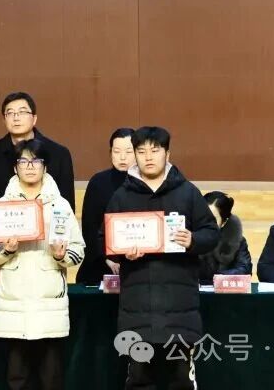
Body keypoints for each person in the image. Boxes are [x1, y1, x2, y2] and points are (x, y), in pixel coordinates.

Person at [103, 126, 219, 390]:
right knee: (139, 380)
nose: (148, 157)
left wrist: (193, 240)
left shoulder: (188, 192)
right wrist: (122, 253)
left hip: (179, 305)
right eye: (142, 151)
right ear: (135, 155)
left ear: (168, 153)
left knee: (180, 380)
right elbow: (105, 240)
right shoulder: (121, 196)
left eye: (155, 150)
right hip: (137, 306)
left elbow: (211, 233)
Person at [0, 139, 84, 390]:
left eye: (35, 161)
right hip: (14, 303)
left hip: (50, 303)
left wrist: (60, 256)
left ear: (45, 167)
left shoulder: (60, 205)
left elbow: (78, 251)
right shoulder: (1, 207)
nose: (29, 166)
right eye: (23, 161)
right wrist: (7, 250)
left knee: (51, 379)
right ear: (15, 167)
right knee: (17, 378)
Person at [0, 92, 75, 285]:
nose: (16, 117)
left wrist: (61, 253)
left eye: (22, 112)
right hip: (4, 250)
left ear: (34, 118)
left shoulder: (58, 153)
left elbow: (66, 206)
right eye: (10, 113)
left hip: (47, 254)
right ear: (4, 119)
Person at [76, 127, 135, 285]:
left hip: (138, 262)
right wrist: (108, 259)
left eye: (129, 152)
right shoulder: (98, 182)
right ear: (110, 153)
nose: (122, 157)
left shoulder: (146, 182)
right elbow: (90, 229)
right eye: (117, 151)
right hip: (100, 262)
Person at [197, 191, 252, 284]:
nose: (206, 222)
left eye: (213, 219)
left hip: (224, 290)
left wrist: (219, 278)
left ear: (223, 222)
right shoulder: (189, 236)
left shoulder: (236, 240)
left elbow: (244, 270)